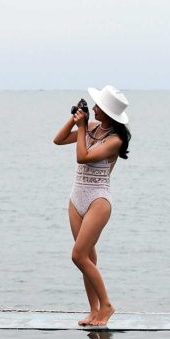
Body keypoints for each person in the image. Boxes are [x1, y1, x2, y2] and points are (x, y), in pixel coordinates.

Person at [53, 85, 131, 326]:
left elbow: (83, 156)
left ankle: (106, 305)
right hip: (76, 197)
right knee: (87, 257)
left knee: (78, 256)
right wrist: (75, 119)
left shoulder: (115, 140)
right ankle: (94, 311)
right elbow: (57, 140)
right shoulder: (93, 127)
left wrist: (81, 128)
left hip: (98, 200)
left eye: (98, 106)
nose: (94, 107)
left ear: (107, 112)